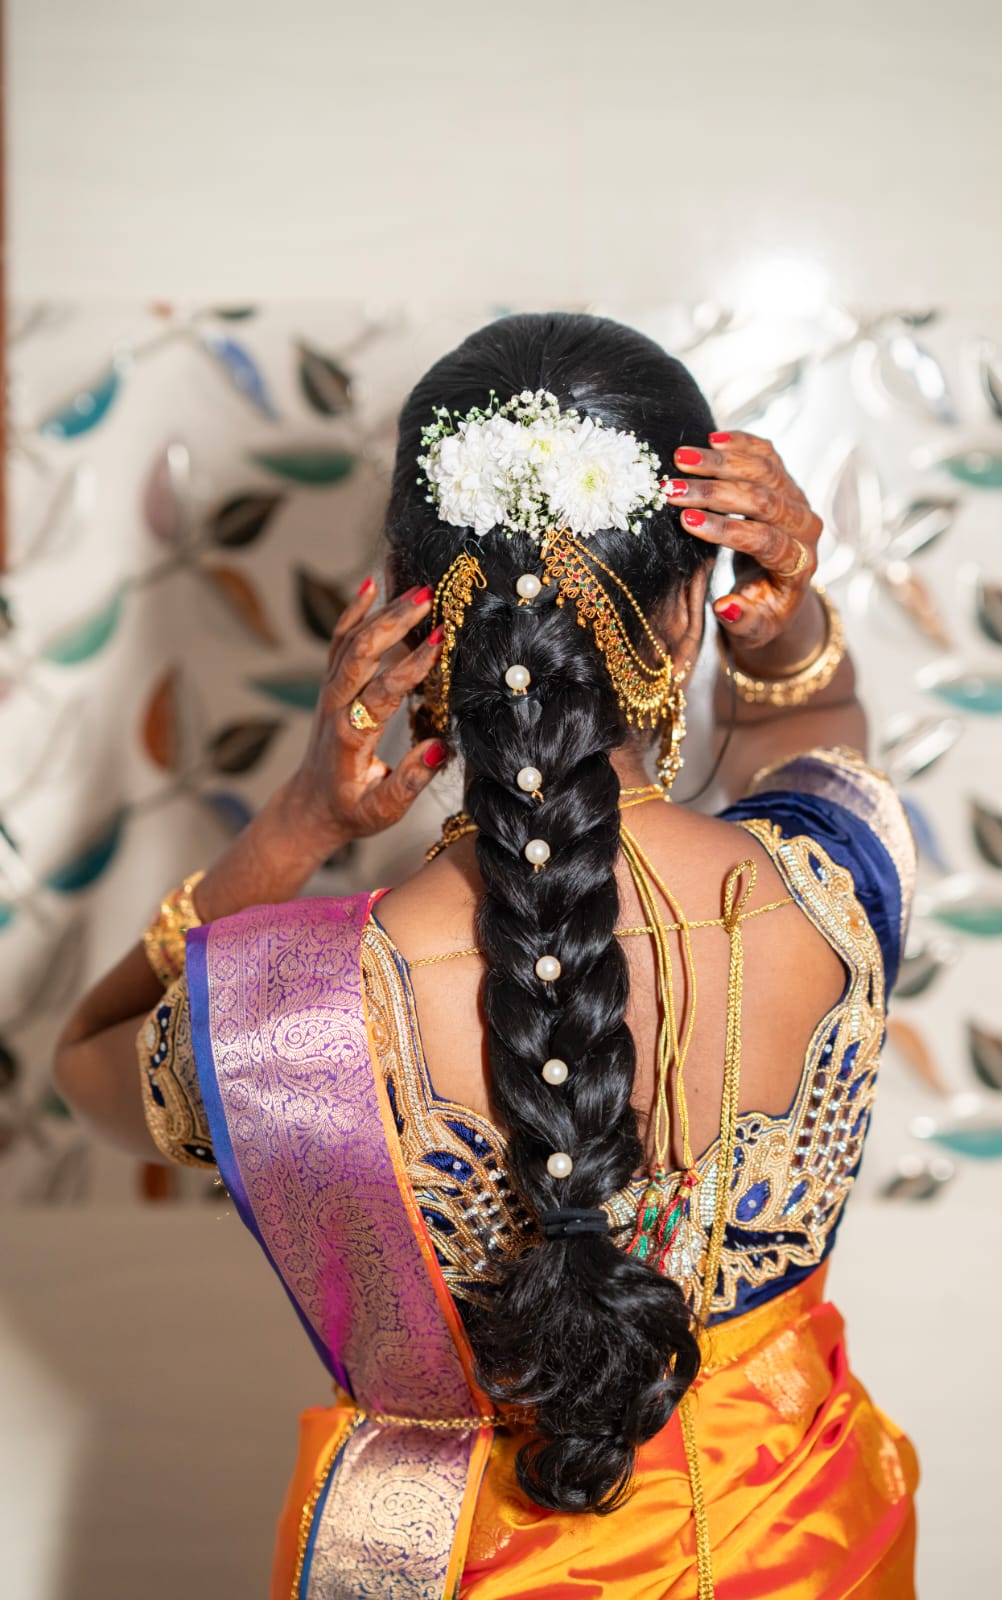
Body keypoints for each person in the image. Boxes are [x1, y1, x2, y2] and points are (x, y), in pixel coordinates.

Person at [55, 313, 919, 1599]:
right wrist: (782, 628)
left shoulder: (289, 1016)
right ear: (687, 617)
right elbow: (819, 726)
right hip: (809, 1543)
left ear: (409, 621)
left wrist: (295, 825)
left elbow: (82, 1057)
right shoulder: (828, 886)